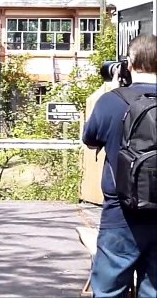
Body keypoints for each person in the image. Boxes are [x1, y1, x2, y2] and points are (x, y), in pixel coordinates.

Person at [82, 34, 157, 297]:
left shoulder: (111, 101)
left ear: (130, 63)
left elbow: (90, 141)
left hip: (120, 215)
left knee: (109, 292)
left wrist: (107, 91)